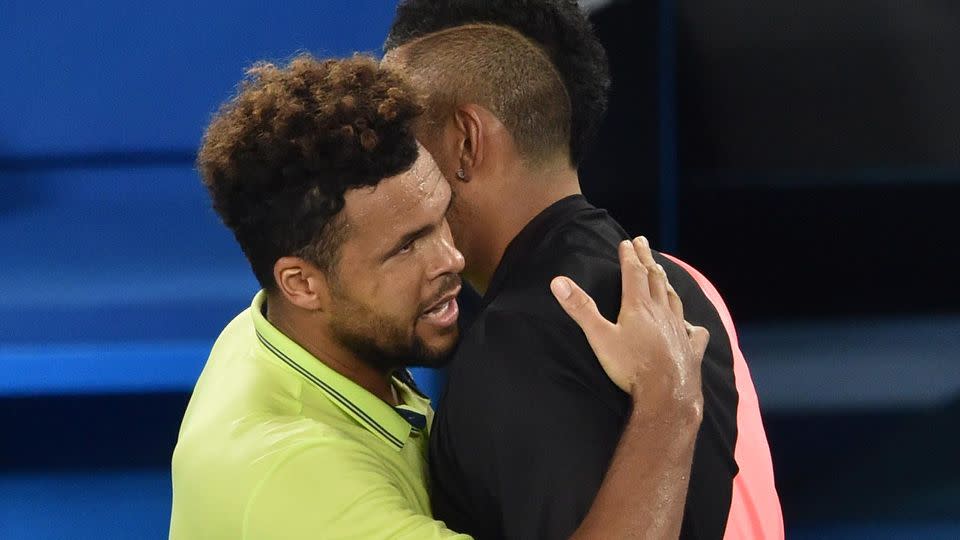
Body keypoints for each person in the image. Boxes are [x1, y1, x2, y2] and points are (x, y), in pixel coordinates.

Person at [169, 53, 711, 539]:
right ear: (302, 283)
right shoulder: (297, 478)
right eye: (406, 248)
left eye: (441, 218)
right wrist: (670, 401)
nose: (450, 258)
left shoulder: (281, 331)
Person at [383, 10, 784, 539]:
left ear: (465, 142)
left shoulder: (518, 339)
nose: (386, 172)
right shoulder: (684, 282)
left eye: (400, 143)